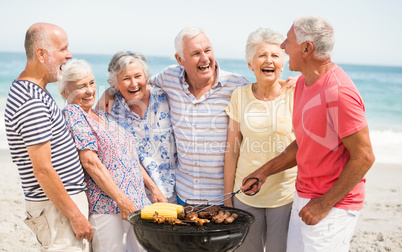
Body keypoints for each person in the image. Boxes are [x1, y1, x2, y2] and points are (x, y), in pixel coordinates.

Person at [241, 16, 375, 252]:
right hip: (303, 197)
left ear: (306, 48)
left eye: (288, 40)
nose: (282, 46)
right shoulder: (303, 83)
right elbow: (305, 143)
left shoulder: (340, 92)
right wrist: (263, 172)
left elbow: (364, 157)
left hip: (333, 206)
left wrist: (324, 204)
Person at [4, 23, 93, 251]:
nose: (69, 55)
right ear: (41, 54)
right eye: (62, 49)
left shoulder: (32, 91)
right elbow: (42, 169)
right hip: (58, 210)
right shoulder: (31, 101)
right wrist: (75, 215)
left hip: (58, 208)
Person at [147, 27, 250, 204]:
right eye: (195, 53)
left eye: (208, 50)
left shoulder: (237, 85)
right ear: (180, 59)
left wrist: (289, 83)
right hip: (184, 195)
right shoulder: (168, 78)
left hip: (225, 199)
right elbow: (137, 87)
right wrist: (110, 92)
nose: (205, 58)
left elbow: (266, 95)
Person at [57, 59, 152, 251]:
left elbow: (128, 156)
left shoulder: (102, 115)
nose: (90, 90)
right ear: (64, 91)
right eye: (81, 86)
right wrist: (122, 201)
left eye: (92, 83)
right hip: (109, 208)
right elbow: (90, 163)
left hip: (136, 203)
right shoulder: (74, 114)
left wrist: (152, 187)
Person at [224, 28, 297, 252]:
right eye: (262, 55)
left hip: (285, 196)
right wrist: (228, 198)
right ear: (250, 64)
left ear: (283, 63)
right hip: (245, 196)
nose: (269, 61)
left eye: (275, 55)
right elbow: (232, 150)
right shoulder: (239, 95)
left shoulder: (296, 93)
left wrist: (303, 81)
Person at [106, 51, 177, 204]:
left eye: (138, 76)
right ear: (115, 84)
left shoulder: (166, 96)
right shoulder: (111, 109)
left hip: (176, 191)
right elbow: (125, 156)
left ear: (146, 77)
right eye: (126, 78)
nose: (133, 83)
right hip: (136, 194)